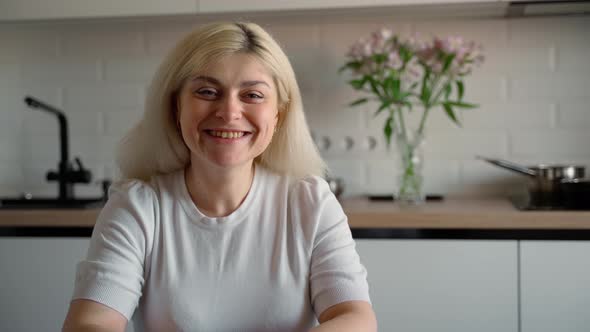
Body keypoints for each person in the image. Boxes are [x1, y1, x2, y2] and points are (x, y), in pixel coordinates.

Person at [62, 22, 376, 332]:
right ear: (176, 108)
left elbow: (356, 318)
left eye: (252, 95)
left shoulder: (310, 203)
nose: (229, 112)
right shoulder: (139, 207)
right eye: (207, 92)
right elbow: (91, 322)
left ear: (278, 115)